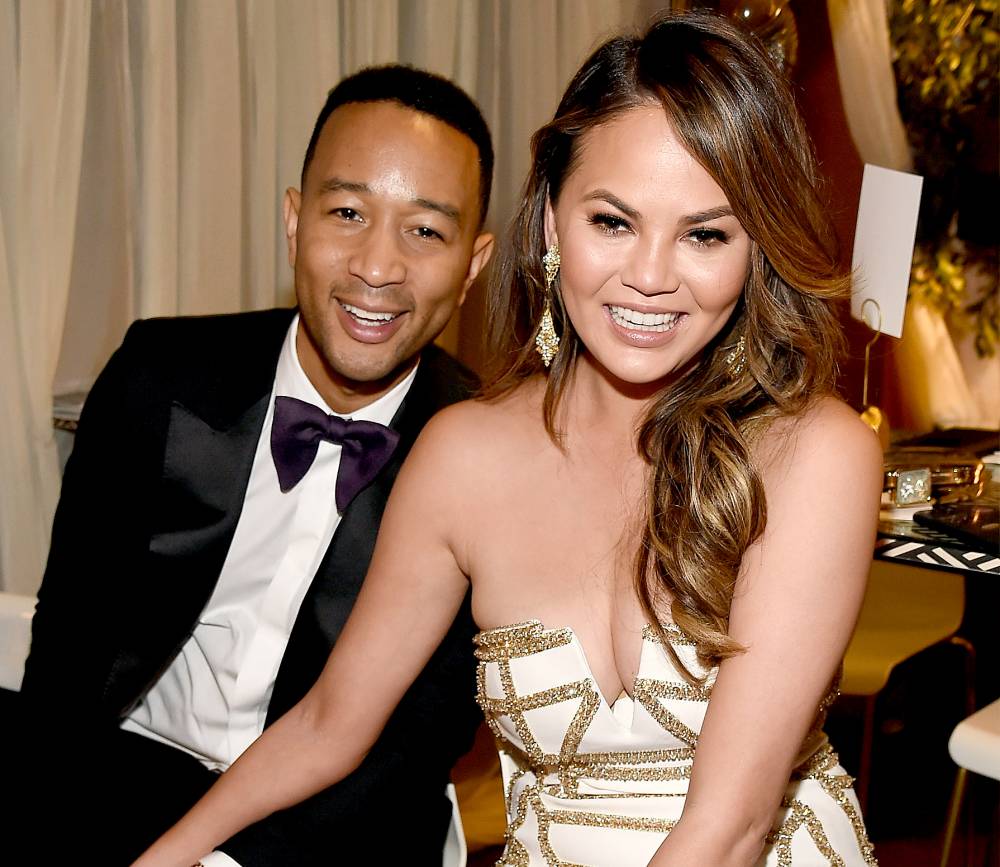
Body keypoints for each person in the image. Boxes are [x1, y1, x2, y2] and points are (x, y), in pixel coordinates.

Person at [134, 12, 883, 866]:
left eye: (705, 233)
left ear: (756, 251)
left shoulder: (813, 454)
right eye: (613, 221)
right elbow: (328, 722)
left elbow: (733, 826)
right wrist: (163, 855)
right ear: (552, 223)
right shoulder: (463, 456)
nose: (651, 274)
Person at [14, 64, 495, 865]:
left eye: (425, 230)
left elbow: (417, 743)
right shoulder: (158, 376)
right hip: (124, 780)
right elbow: (67, 650)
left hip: (336, 828)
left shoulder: (490, 456)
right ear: (294, 220)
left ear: (473, 265)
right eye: (347, 212)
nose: (378, 266)